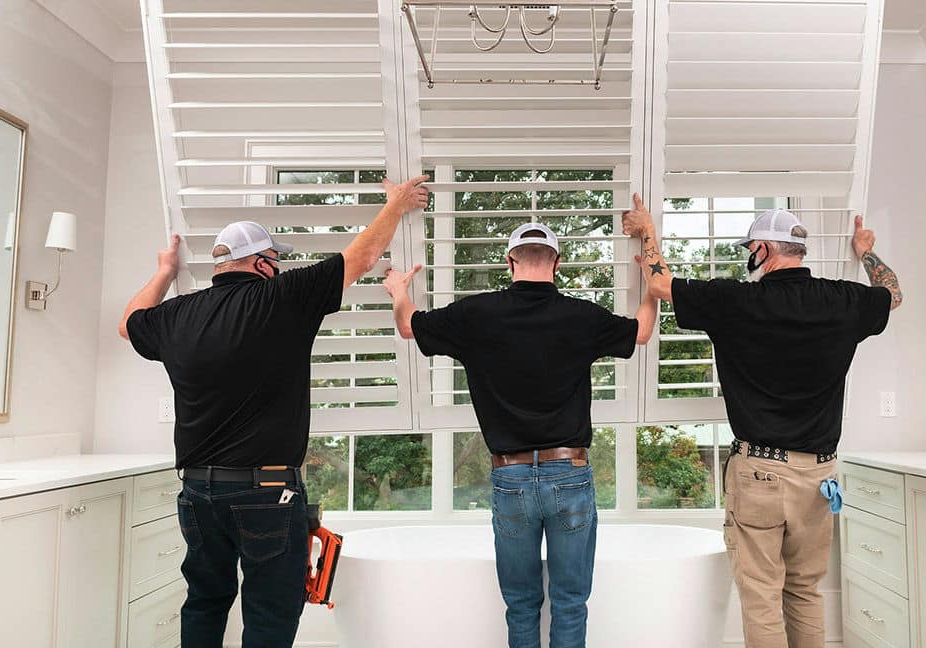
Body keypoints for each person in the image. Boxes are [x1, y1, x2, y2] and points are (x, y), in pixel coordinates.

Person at [118, 176, 430, 648]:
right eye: (276, 260)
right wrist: (396, 204)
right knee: (269, 613)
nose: (280, 267)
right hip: (266, 494)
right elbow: (362, 257)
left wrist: (164, 272)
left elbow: (127, 324)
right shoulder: (281, 297)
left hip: (197, 494)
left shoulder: (177, 315)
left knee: (204, 602)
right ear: (263, 263)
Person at [621, 195, 902, 648]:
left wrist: (649, 231)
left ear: (765, 251)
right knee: (804, 592)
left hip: (760, 474)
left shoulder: (735, 300)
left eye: (751, 247)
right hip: (819, 474)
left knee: (761, 597)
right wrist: (866, 249)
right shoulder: (844, 300)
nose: (748, 256)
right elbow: (892, 295)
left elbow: (660, 284)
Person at [383, 222, 657, 648]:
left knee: (522, 603)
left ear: (509, 262)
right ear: (557, 264)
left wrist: (399, 292)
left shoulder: (474, 315)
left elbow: (407, 326)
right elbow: (640, 331)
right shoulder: (581, 316)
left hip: (510, 479)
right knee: (569, 601)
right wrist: (652, 289)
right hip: (569, 473)